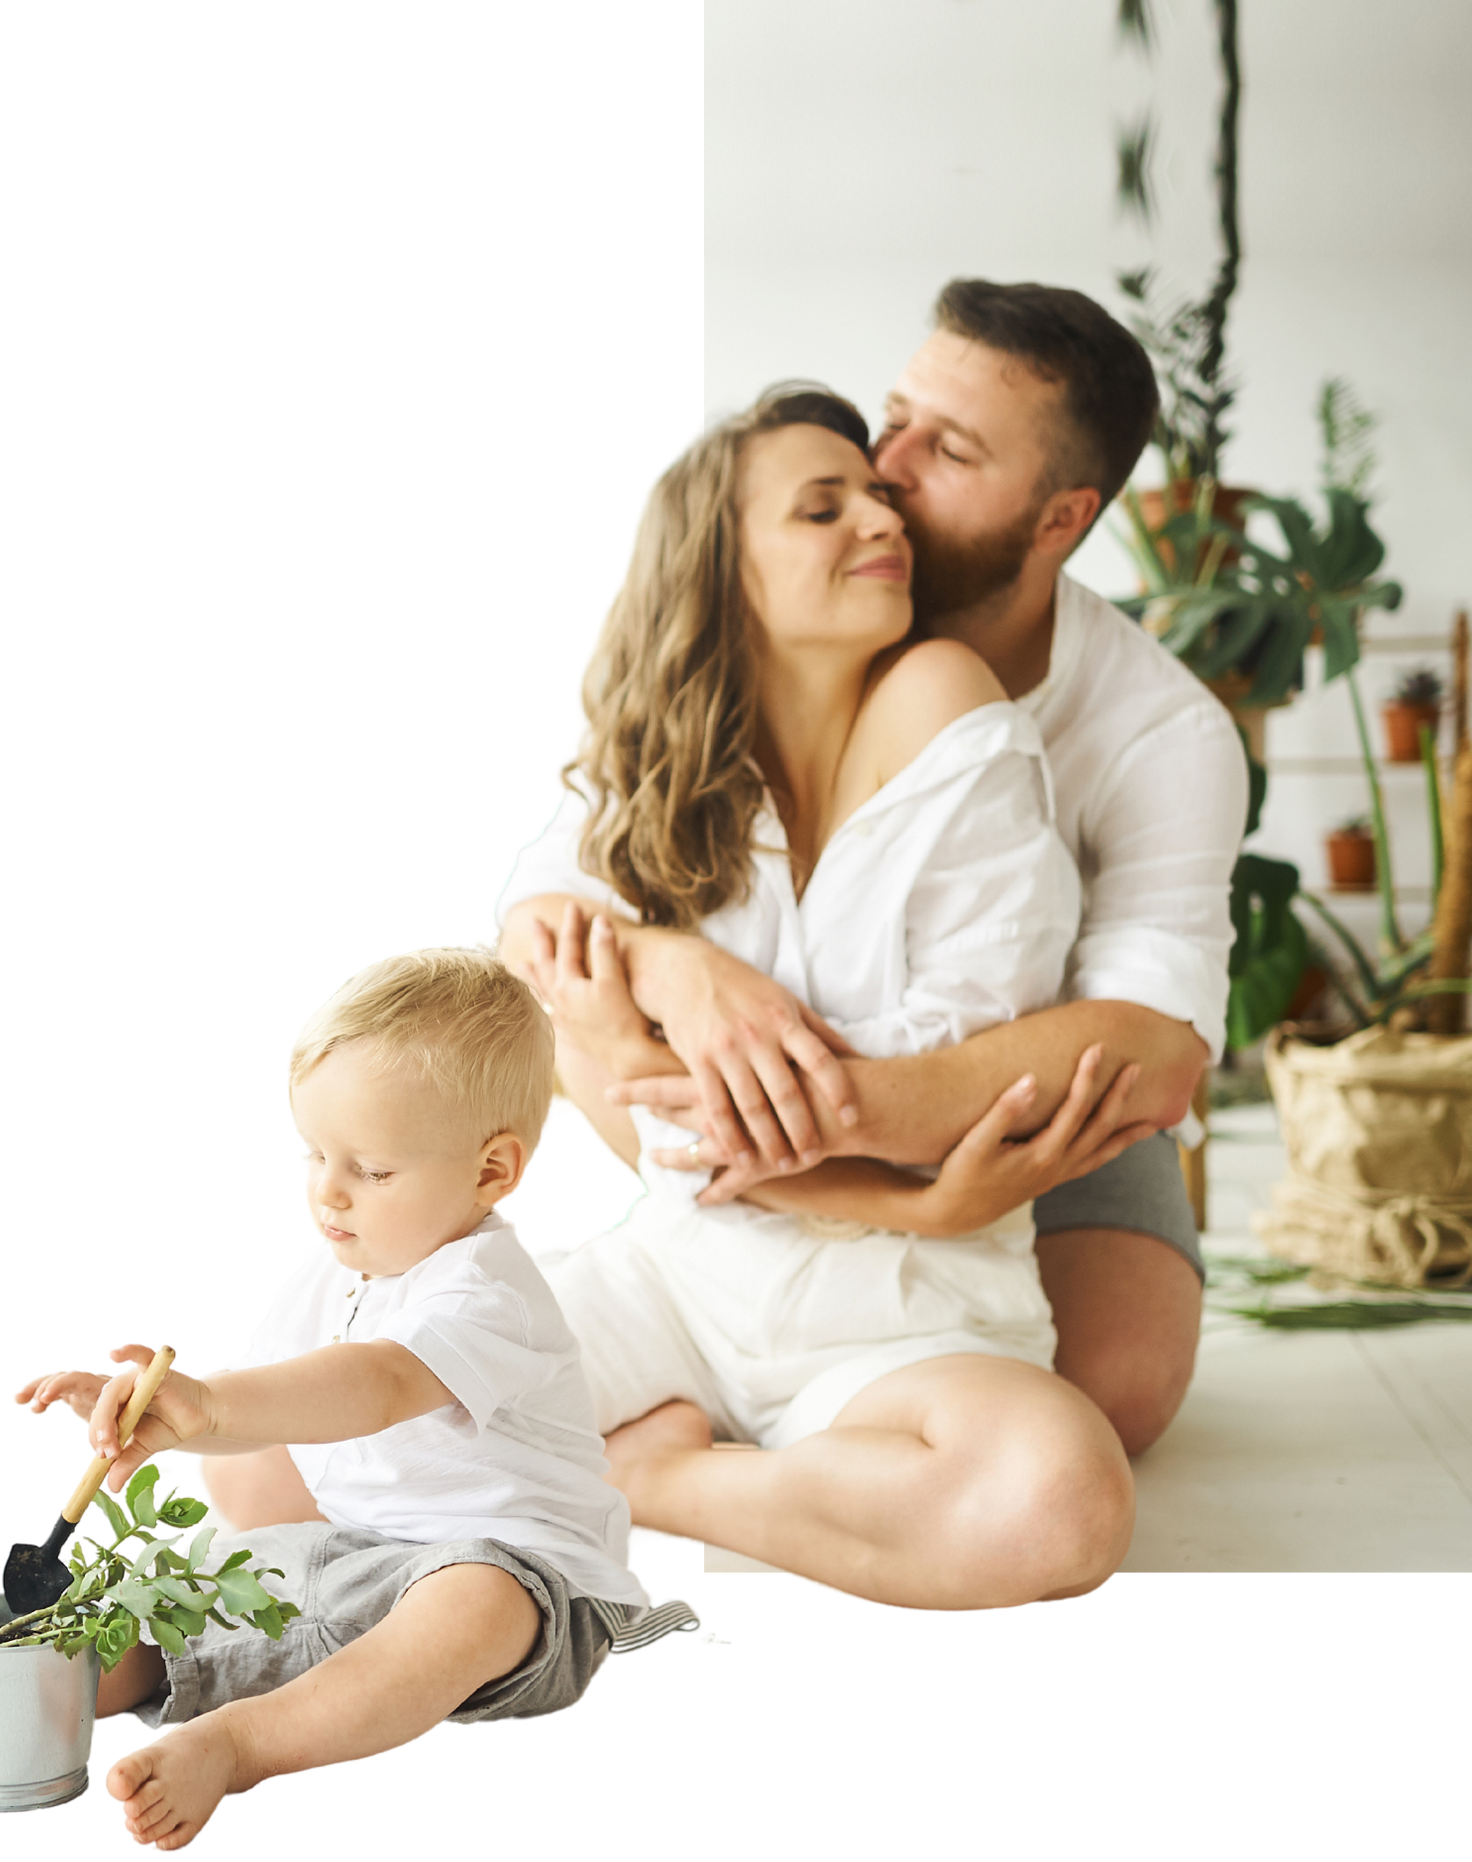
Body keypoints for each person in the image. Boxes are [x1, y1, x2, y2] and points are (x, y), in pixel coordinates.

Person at [503, 280, 1249, 1460]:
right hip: (753, 1103)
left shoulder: (1162, 729)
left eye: (945, 450)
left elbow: (1154, 1048)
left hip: (1038, 1116)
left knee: (1109, 1398)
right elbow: (540, 902)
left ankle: (706, 1458)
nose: (887, 469)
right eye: (893, 417)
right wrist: (676, 966)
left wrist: (833, 1135)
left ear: (1060, 517)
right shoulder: (773, 623)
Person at [0, 947, 706, 1854]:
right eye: (311, 1153)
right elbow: (256, 1398)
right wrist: (165, 1413)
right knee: (178, 1595)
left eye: (372, 1170)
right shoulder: (328, 1272)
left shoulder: (489, 1291)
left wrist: (214, 1410)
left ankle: (243, 1746)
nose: (327, 1190)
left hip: (534, 1587)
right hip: (347, 1556)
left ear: (492, 1171)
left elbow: (380, 1383)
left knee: (474, 1601)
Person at [493, 380, 1138, 1612]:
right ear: (723, 570)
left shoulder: (949, 706)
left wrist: (629, 1040)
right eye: (821, 507)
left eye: (882, 499)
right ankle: (796, 1487)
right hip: (680, 1280)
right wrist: (674, 963)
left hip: (913, 1312)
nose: (880, 524)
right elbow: (531, 914)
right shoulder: (669, 756)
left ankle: (664, 1479)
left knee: (1057, 1502)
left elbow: (951, 1095)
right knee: (301, 1449)